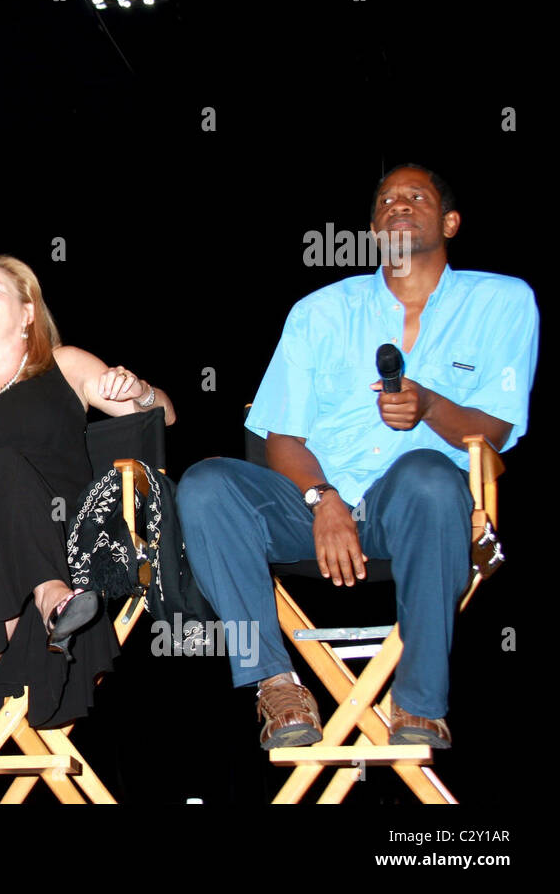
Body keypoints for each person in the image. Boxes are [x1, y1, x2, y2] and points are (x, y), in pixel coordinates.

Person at [177, 164, 538, 750]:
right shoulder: (319, 311)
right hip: (316, 513)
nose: (397, 204)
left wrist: (427, 406)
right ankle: (275, 684)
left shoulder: (502, 300)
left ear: (449, 221)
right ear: (373, 229)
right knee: (204, 483)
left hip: (420, 512)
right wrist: (323, 500)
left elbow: (492, 431)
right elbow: (282, 438)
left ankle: (419, 702)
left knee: (427, 475)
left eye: (414, 196)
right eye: (386, 200)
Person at [0, 255, 176, 756]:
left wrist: (139, 391)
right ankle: (52, 602)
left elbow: (163, 419)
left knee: (1, 467)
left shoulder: (64, 364)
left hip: (68, 535)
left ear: (27, 313)